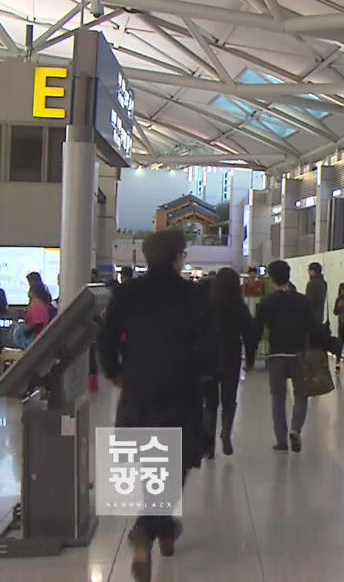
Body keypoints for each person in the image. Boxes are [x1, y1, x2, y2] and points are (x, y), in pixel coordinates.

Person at [97, 229, 215, 581]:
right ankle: (150, 529)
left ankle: (160, 530)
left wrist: (115, 371)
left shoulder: (128, 293)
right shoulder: (192, 294)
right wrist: (205, 374)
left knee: (149, 457)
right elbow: (209, 344)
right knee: (176, 458)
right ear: (178, 257)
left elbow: (105, 336)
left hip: (139, 388)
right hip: (180, 388)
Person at [254, 260, 315, 453]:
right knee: (301, 395)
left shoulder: (267, 302)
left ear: (271, 279)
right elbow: (312, 327)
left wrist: (248, 356)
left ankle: (281, 440)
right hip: (298, 354)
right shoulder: (302, 301)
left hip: (277, 354)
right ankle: (296, 429)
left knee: (278, 398)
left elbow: (256, 329)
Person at [205, 267, 258, 457]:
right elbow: (250, 335)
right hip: (231, 357)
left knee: (210, 401)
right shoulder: (239, 307)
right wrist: (250, 360)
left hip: (209, 358)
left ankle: (209, 445)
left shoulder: (207, 305)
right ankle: (226, 434)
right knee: (229, 398)